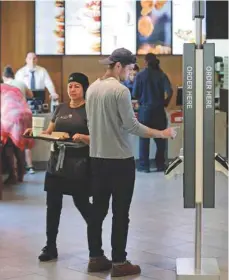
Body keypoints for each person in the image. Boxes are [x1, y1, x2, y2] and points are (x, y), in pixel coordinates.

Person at [85, 48, 177, 277]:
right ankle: (119, 262)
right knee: (120, 212)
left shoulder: (92, 88)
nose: (130, 74)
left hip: (97, 158)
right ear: (118, 66)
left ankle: (95, 258)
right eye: (128, 69)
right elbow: (133, 127)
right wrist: (162, 133)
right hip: (120, 161)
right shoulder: (120, 91)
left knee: (98, 211)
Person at [24, 72, 92, 262]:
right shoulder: (60, 108)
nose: (72, 89)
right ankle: (50, 246)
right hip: (56, 164)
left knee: (83, 204)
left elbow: (97, 137)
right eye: (70, 86)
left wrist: (84, 137)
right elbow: (49, 132)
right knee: (53, 206)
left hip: (79, 164)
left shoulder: (89, 110)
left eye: (77, 86)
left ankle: (96, 244)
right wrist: (34, 132)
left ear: (84, 89)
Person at [15, 52, 59, 174]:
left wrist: (53, 93)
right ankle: (27, 164)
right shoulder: (20, 72)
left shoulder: (42, 71)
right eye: (30, 58)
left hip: (39, 99)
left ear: (37, 59)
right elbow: (17, 88)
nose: (33, 60)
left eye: (35, 58)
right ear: (26, 59)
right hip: (25, 100)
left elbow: (49, 83)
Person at [132, 53, 173, 172]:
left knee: (144, 140)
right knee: (161, 139)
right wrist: (165, 103)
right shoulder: (161, 74)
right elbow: (169, 91)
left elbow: (135, 93)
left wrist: (141, 99)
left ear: (145, 62)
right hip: (159, 111)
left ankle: (144, 166)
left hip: (145, 111)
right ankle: (160, 164)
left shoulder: (140, 75)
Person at [0, 83, 34, 184]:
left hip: (11, 116)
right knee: (20, 146)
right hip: (26, 114)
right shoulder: (13, 88)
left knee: (8, 146)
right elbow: (29, 96)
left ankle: (12, 176)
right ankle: (21, 175)